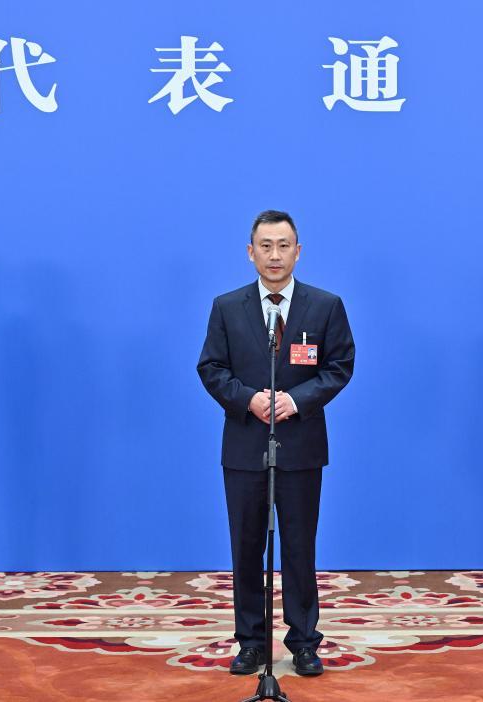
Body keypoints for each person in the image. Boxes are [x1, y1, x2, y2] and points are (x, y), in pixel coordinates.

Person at [197, 210, 355, 677]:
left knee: (300, 547)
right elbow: (211, 368)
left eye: (283, 245)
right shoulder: (227, 307)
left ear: (298, 252)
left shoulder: (325, 306)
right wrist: (248, 399)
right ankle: (250, 641)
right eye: (265, 246)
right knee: (246, 547)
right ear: (251, 252)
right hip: (245, 447)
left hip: (301, 446)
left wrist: (296, 400)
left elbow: (339, 366)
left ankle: (304, 642)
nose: (274, 255)